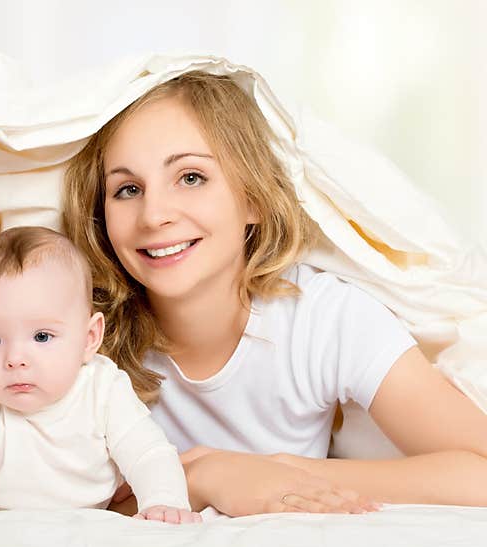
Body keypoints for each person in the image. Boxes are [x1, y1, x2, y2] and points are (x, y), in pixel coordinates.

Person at [62, 70, 487, 518]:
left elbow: (479, 466)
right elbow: (63, 500)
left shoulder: (322, 318)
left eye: (190, 177)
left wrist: (278, 471)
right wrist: (201, 478)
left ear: (254, 200)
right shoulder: (84, 339)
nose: (154, 214)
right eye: (127, 189)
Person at [0, 226, 198, 537]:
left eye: (42, 336)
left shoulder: (103, 388)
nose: (15, 359)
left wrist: (164, 501)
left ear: (89, 338)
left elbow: (147, 451)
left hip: (85, 528)